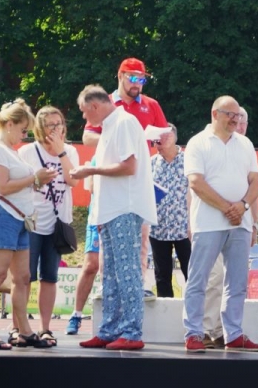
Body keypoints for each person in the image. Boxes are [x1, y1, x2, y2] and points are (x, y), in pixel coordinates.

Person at [71, 85, 157, 351]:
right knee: (109, 273)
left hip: (124, 208)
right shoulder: (111, 126)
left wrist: (90, 171)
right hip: (110, 209)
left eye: (84, 112)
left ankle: (131, 331)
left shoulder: (124, 122)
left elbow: (129, 166)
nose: (84, 118)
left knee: (127, 270)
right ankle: (109, 329)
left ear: (95, 106)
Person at [182, 96, 258, 353]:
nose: (235, 119)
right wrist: (228, 208)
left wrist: (243, 206)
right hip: (208, 223)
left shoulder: (245, 143)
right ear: (214, 114)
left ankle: (233, 333)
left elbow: (256, 181)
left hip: (240, 223)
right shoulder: (198, 142)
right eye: (230, 114)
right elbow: (196, 183)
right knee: (199, 279)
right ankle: (194, 333)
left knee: (237, 282)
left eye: (237, 115)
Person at [82, 57, 168, 299]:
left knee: (142, 235)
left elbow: (165, 137)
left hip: (138, 179)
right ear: (120, 76)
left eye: (142, 79)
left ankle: (139, 283)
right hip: (110, 178)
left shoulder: (151, 105)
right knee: (107, 236)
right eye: (132, 78)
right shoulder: (105, 103)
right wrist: (123, 141)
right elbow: (87, 137)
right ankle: (106, 286)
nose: (137, 84)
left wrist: (162, 140)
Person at [0, 99, 57, 350]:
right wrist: (34, 178)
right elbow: (2, 186)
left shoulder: (9, 150)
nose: (24, 136)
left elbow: (18, 184)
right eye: (23, 130)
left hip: (20, 218)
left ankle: (24, 331)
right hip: (3, 215)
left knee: (23, 277)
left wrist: (38, 180)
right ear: (9, 124)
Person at [18, 106, 79, 347]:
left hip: (57, 224)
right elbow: (20, 184)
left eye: (59, 123)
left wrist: (61, 152)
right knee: (24, 278)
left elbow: (73, 180)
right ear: (40, 129)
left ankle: (45, 328)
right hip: (31, 222)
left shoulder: (70, 151)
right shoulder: (27, 152)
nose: (56, 129)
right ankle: (19, 328)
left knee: (50, 277)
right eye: (50, 125)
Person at [149, 123, 191, 297]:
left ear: (172, 137)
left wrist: (192, 223)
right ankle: (166, 311)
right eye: (155, 141)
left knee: (191, 274)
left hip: (184, 229)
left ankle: (195, 310)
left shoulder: (189, 161)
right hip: (158, 229)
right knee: (162, 277)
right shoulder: (152, 163)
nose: (156, 144)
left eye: (160, 140)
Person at [65, 169, 100, 336]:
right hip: (98, 217)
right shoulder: (98, 158)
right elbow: (93, 187)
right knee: (91, 266)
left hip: (121, 217)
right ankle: (76, 315)